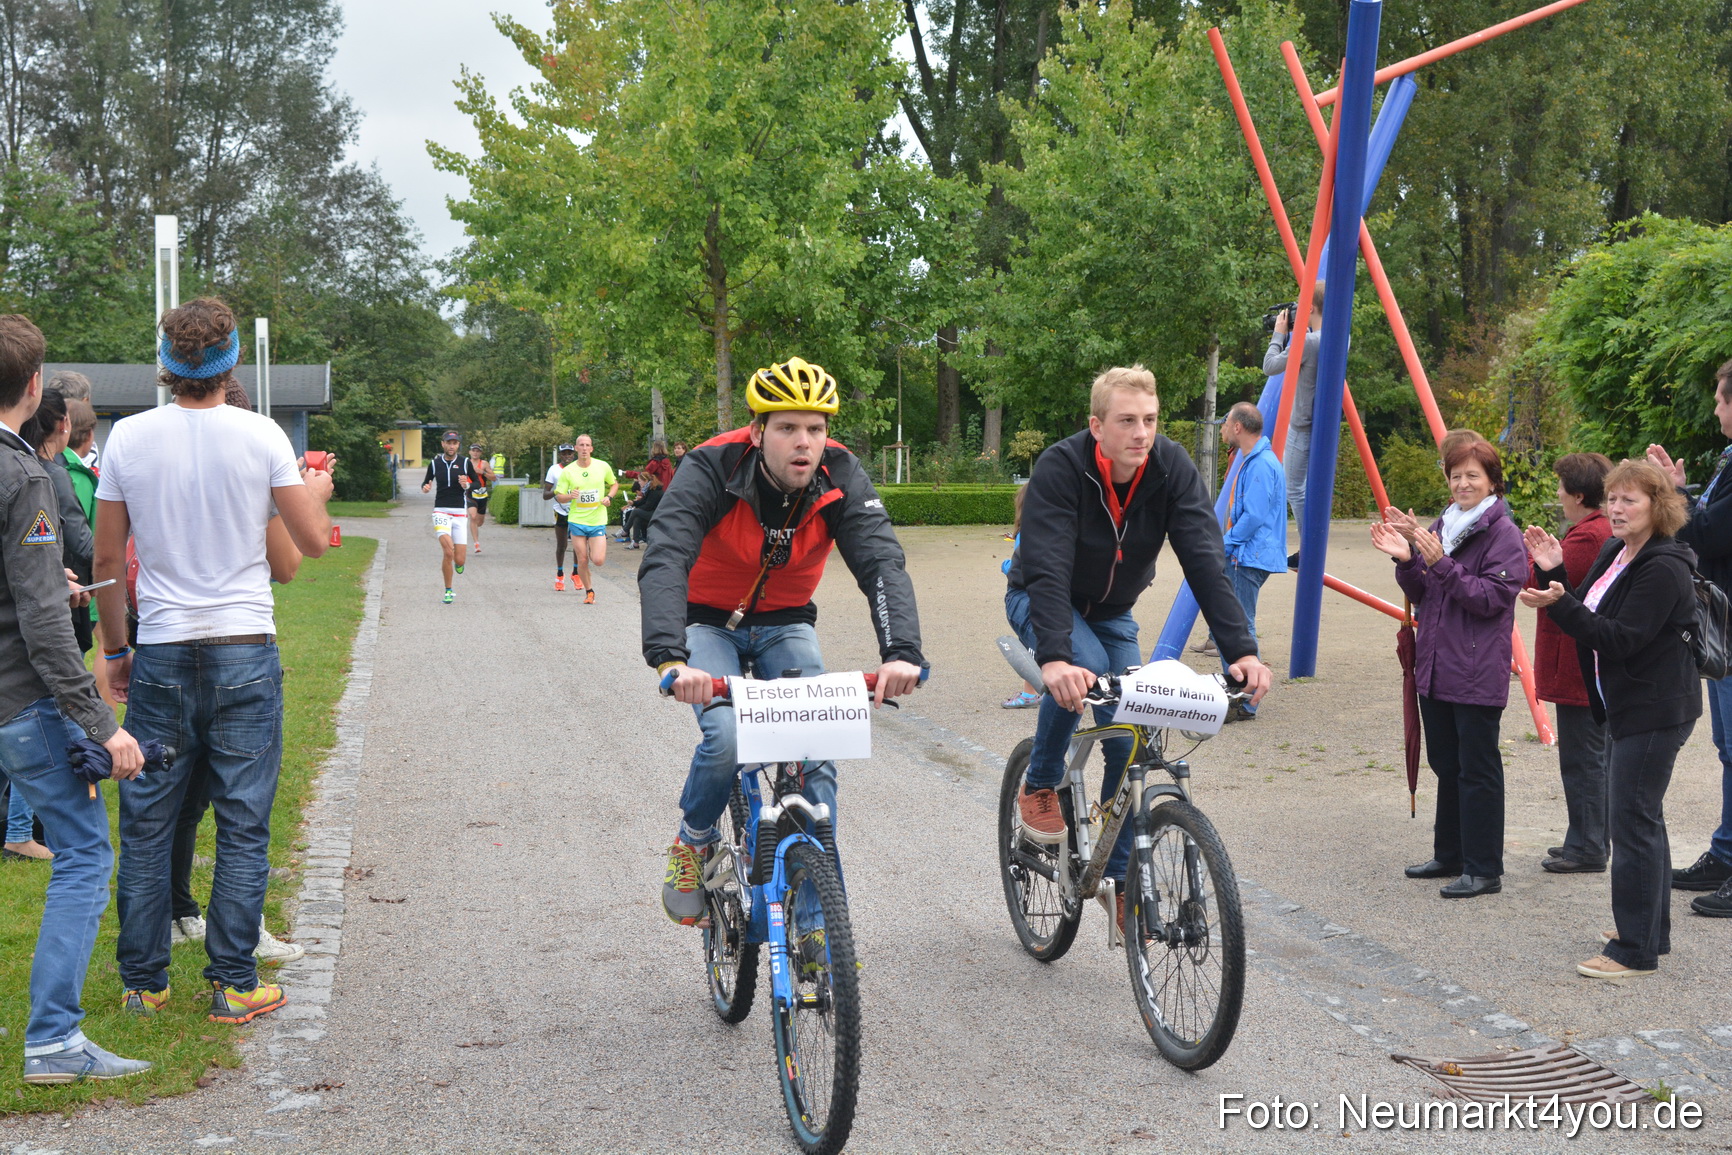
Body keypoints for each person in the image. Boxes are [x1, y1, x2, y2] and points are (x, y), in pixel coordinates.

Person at [93, 297, 334, 1026]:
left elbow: (107, 557)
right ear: (229, 363)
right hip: (243, 646)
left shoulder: (127, 438)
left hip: (163, 645)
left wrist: (115, 649)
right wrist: (315, 490)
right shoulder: (261, 436)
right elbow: (313, 542)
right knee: (242, 819)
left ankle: (144, 982)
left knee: (148, 820)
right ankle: (232, 979)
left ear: (165, 365)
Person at [640, 356, 925, 925]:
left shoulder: (842, 474)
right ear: (757, 431)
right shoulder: (711, 466)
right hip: (707, 621)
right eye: (787, 427)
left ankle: (817, 930)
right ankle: (694, 841)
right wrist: (670, 657)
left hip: (788, 622)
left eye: (815, 429)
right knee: (725, 735)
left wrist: (902, 652)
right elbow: (667, 555)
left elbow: (881, 564)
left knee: (816, 753)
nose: (804, 441)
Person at [1005, 365, 1272, 928]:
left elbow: (1204, 558)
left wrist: (1241, 651)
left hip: (1112, 612)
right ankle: (1041, 779)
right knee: (1088, 667)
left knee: (1134, 729)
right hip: (1041, 600)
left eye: (1149, 420)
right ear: (1096, 425)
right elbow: (1049, 568)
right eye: (1127, 421)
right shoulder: (1061, 467)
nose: (1141, 433)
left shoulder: (1170, 468)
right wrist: (1054, 656)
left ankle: (1121, 876)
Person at [0, 312, 151, 1083]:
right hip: (21, 700)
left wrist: (35, 576)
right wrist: (104, 724)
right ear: (34, 388)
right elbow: (41, 632)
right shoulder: (23, 471)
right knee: (87, 853)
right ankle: (53, 1041)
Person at [1521, 461, 1700, 978]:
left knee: (1633, 821)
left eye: (1631, 501)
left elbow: (1619, 637)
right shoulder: (1616, 551)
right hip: (1628, 704)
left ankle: (1635, 949)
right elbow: (1583, 604)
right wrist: (1555, 572)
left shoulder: (1664, 565)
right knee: (1644, 818)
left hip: (1655, 709)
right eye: (1613, 499)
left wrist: (1559, 605)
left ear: (1657, 507)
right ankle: (1651, 931)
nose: (1618, 509)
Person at [1373, 437, 1525, 899]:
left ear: (1492, 481)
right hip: (1436, 664)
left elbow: (1490, 599)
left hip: (1477, 667)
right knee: (1446, 762)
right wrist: (1408, 558)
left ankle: (1484, 868)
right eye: (1456, 475)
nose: (1462, 483)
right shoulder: (1448, 524)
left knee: (1477, 768)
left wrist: (1437, 563)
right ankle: (1451, 854)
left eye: (1472, 475)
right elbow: (1425, 593)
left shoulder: (1504, 534)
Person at [1646, 358, 1732, 917]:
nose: (1718, 410)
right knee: (1728, 749)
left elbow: (1706, 531)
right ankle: (1725, 854)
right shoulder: (1729, 459)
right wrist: (1681, 490)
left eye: (1723, 400)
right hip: (1723, 626)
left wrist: (1667, 502)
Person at [1529, 453, 1614, 874]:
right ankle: (1583, 838)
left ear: (1579, 495)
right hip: (1587, 665)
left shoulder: (1586, 538)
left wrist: (1539, 563)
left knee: (1583, 759)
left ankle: (1590, 846)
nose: (1558, 493)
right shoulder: (1600, 530)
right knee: (1591, 757)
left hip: (1577, 665)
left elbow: (1548, 583)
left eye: (1563, 486)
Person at [1210, 401, 1286, 722]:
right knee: (1237, 622)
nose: (1224, 428)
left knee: (1241, 625)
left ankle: (1244, 698)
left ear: (1238, 427)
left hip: (1248, 556)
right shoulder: (1255, 459)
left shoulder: (1259, 464)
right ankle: (1239, 692)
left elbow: (1253, 516)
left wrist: (1223, 545)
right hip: (1251, 554)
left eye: (1226, 423)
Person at [1263, 281, 1323, 568]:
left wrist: (1278, 335)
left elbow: (1270, 365)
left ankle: (1309, 548)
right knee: (1307, 488)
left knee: (1295, 489)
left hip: (1302, 424)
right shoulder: (1337, 337)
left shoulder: (1310, 342)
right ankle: (1310, 545)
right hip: (1318, 421)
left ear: (1310, 308)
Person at [555, 434, 618, 604]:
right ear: (576, 448)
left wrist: (609, 497)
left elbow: (614, 484)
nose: (584, 448)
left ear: (591, 449)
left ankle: (592, 548)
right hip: (577, 521)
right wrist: (570, 496)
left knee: (597, 560)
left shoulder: (602, 466)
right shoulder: (568, 471)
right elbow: (559, 496)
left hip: (597, 520)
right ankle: (589, 592)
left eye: (587, 445)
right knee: (582, 559)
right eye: (581, 445)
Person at [421, 431, 476, 604]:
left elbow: (477, 483)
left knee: (459, 559)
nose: (451, 446)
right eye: (448, 443)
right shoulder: (435, 463)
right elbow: (426, 481)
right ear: (442, 444)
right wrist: (425, 487)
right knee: (447, 551)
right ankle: (448, 590)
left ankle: (459, 563)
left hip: (460, 512)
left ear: (458, 445)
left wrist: (467, 484)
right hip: (441, 511)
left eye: (455, 443)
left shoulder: (465, 463)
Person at [543, 443, 578, 590]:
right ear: (561, 455)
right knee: (562, 545)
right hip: (561, 510)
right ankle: (559, 575)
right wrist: (557, 492)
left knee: (579, 545)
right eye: (564, 454)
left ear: (573, 455)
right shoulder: (554, 470)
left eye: (570, 453)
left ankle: (576, 574)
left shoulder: (579, 468)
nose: (567, 456)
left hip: (577, 510)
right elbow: (545, 495)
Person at [466, 443, 497, 553]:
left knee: (479, 522)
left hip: (482, 494)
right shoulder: (466, 463)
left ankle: (474, 528)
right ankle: (476, 544)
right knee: (473, 516)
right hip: (470, 492)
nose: (475, 452)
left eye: (477, 451)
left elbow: (494, 478)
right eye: (473, 450)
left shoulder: (484, 464)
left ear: (480, 453)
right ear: (469, 452)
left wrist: (482, 472)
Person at [626, 473, 662, 549]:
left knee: (636, 512)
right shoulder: (649, 488)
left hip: (658, 514)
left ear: (645, 480)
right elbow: (643, 502)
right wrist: (633, 503)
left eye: (639, 481)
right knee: (637, 517)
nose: (639, 483)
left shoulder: (653, 490)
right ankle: (635, 542)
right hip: (653, 512)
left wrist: (636, 507)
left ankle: (625, 530)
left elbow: (648, 506)